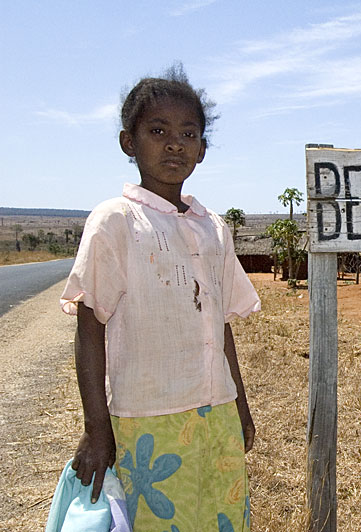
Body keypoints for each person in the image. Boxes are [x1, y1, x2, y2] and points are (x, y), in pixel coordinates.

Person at [60, 65, 260, 531]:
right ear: (129, 142)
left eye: (188, 133)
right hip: (148, 420)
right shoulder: (115, 221)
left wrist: (241, 407)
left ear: (202, 150)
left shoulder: (213, 228)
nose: (175, 143)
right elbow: (91, 324)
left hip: (217, 415)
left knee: (222, 519)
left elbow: (219, 325)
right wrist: (97, 430)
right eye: (158, 130)